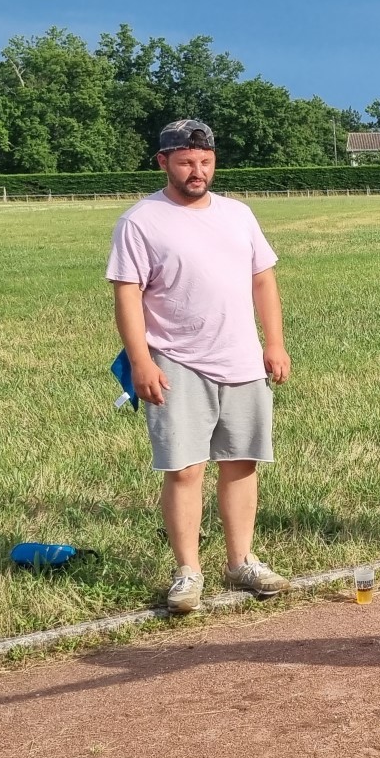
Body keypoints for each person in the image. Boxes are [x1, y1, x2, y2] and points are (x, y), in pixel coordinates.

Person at [107, 119, 292, 614]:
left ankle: (242, 562)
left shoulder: (238, 214)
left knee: (242, 461)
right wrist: (142, 361)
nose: (197, 170)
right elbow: (128, 295)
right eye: (187, 161)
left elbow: (263, 280)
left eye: (205, 161)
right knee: (185, 468)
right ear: (163, 162)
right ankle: (188, 571)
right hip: (175, 359)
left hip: (241, 356)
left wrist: (273, 343)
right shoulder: (140, 220)